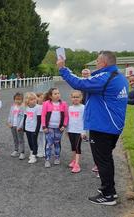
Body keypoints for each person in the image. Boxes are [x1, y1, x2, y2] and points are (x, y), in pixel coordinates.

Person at [57, 51, 128, 205]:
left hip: (103, 125)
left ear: (104, 63)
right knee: (105, 158)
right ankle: (107, 188)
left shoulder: (104, 77)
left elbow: (80, 83)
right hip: (112, 125)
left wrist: (63, 69)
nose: (96, 64)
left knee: (102, 160)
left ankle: (109, 194)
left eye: (97, 61)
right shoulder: (120, 76)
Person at [41, 88, 68, 168]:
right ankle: (47, 159)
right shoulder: (46, 103)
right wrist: (44, 126)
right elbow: (43, 116)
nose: (57, 95)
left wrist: (64, 125)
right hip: (49, 128)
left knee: (57, 143)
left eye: (58, 93)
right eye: (55, 94)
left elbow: (66, 116)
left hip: (59, 129)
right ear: (50, 96)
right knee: (49, 144)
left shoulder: (64, 104)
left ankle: (57, 157)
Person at [67, 90, 86, 173]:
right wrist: (67, 130)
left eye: (77, 97)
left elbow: (85, 120)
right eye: (74, 97)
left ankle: (77, 164)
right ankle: (74, 160)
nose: (75, 99)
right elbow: (68, 120)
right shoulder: (70, 108)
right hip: (71, 130)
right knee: (73, 147)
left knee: (77, 147)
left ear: (81, 98)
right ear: (71, 98)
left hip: (79, 131)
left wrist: (83, 131)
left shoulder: (83, 108)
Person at [23, 92, 41, 164]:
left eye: (34, 99)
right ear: (27, 101)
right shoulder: (26, 107)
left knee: (34, 142)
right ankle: (31, 151)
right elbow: (25, 118)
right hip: (28, 128)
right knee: (30, 141)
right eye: (31, 99)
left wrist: (36, 130)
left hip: (34, 128)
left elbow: (39, 120)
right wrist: (24, 127)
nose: (33, 100)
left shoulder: (38, 107)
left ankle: (34, 155)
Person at [8, 92, 25, 159]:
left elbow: (23, 117)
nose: (17, 101)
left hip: (19, 127)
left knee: (21, 139)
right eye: (16, 99)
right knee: (15, 139)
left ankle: (22, 152)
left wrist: (20, 126)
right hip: (13, 126)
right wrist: (9, 122)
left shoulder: (23, 107)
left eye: (19, 99)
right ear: (14, 99)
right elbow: (10, 115)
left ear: (22, 100)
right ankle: (16, 150)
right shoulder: (12, 107)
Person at [36, 92, 45, 158]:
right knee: (39, 139)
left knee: (44, 139)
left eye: (43, 98)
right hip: (37, 125)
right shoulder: (35, 106)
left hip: (44, 125)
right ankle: (39, 151)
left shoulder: (45, 105)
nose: (42, 99)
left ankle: (44, 151)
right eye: (40, 97)